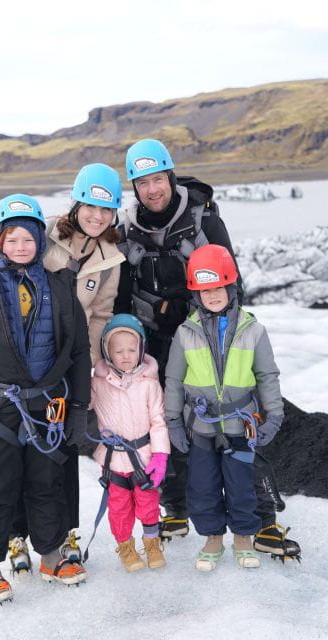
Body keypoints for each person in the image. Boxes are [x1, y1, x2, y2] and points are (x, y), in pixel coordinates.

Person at [0, 163, 125, 572]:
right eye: (90, 207)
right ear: (76, 204)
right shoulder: (39, 231)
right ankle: (14, 540)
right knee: (6, 470)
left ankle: (56, 540)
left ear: (114, 213)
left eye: (106, 210)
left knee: (52, 466)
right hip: (14, 361)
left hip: (61, 367)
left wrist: (89, 368)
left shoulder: (110, 257)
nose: (96, 217)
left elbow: (100, 314)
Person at [0, 194, 92, 605]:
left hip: (48, 406)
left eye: (27, 238)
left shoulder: (61, 287)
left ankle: (49, 555)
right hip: (0, 408)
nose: (19, 247)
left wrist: (79, 409)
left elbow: (80, 352)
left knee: (45, 484)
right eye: (10, 239)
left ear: (39, 240)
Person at [113, 138, 239, 540]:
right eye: (142, 182)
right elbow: (115, 289)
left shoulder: (204, 221)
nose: (152, 190)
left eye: (157, 179)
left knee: (211, 422)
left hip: (199, 338)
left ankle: (238, 507)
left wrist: (192, 315)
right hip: (149, 343)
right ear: (134, 187)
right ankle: (176, 508)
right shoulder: (126, 228)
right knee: (161, 425)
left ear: (169, 176)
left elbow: (231, 285)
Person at [163, 244, 284, 571]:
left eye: (218, 287)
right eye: (204, 290)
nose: (212, 295)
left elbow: (266, 375)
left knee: (241, 484)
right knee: (201, 486)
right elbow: (173, 378)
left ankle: (243, 537)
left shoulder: (253, 330)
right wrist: (173, 420)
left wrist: (273, 416)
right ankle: (212, 538)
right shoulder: (185, 332)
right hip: (201, 427)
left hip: (239, 425)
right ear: (195, 293)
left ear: (231, 287)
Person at [89, 314, 169, 572]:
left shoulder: (150, 385)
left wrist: (160, 455)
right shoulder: (97, 384)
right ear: (107, 353)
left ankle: (152, 543)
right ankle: (125, 547)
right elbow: (82, 403)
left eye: (131, 350)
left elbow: (158, 421)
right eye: (118, 351)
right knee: (119, 508)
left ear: (141, 350)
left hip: (144, 457)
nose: (125, 356)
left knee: (148, 503)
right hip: (113, 459)